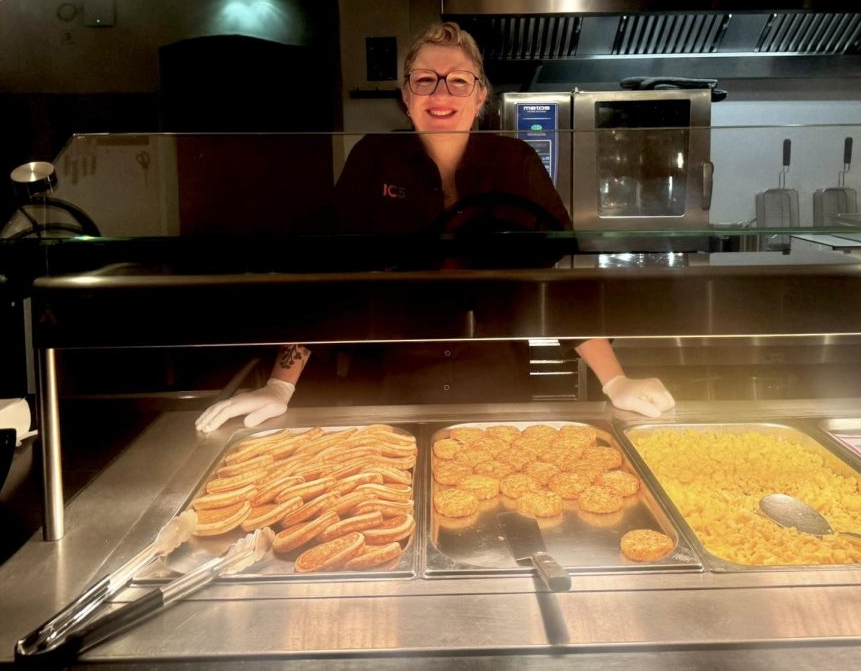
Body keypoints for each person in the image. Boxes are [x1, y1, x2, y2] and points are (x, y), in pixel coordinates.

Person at [195, 22, 674, 432]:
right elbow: (328, 280)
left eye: (458, 81)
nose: (441, 93)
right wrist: (280, 386)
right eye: (425, 80)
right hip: (390, 390)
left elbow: (555, 281)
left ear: (481, 95)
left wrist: (616, 381)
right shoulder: (373, 158)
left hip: (497, 390)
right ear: (406, 95)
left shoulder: (516, 163)